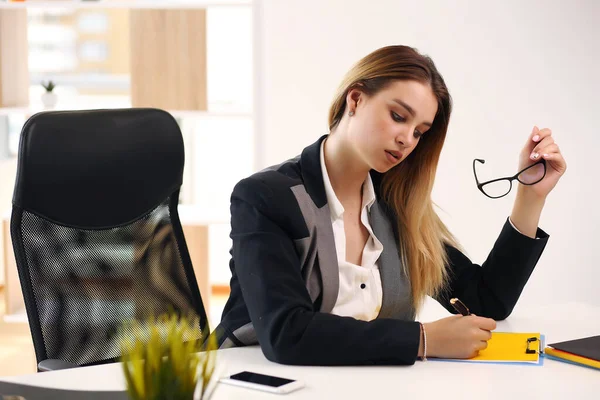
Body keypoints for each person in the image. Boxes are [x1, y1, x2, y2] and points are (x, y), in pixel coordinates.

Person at [213, 45, 567, 365]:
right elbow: (286, 333)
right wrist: (423, 340)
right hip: (254, 383)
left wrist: (530, 195)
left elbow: (485, 302)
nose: (406, 139)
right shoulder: (266, 197)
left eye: (419, 131)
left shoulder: (393, 201)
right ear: (355, 100)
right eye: (399, 116)